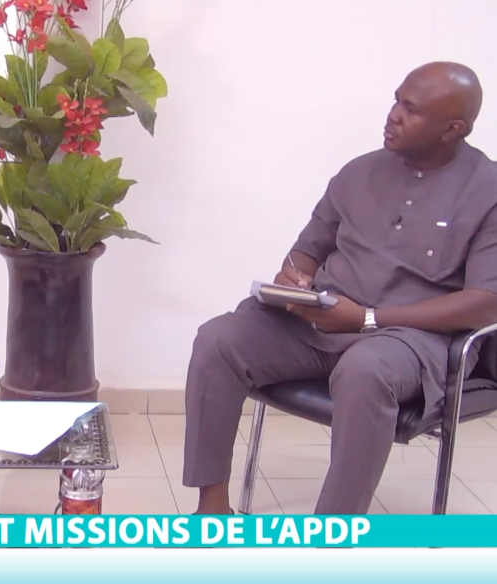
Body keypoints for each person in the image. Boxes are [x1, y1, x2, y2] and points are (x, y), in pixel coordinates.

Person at [183, 62, 497, 515]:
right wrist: (295, 280)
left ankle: (334, 532)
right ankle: (212, 512)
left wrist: (367, 319)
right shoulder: (359, 172)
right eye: (396, 101)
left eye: (411, 110)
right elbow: (305, 251)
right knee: (218, 339)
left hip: (411, 341)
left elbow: (486, 303)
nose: (393, 115)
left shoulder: (488, 191)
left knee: (364, 369)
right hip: (321, 322)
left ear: (453, 129)